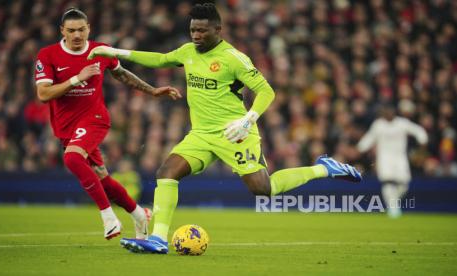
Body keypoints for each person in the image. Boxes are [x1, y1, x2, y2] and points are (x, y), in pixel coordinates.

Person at [89, 3, 361, 253]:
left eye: (202, 30)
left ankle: (324, 168)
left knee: (262, 190)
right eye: (193, 29)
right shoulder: (187, 52)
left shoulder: (233, 58)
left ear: (218, 30)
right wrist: (115, 52)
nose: (196, 35)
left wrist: (248, 119)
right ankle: (159, 239)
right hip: (201, 134)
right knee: (167, 173)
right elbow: (159, 59)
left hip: (236, 132)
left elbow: (266, 91)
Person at [34, 8, 181, 240]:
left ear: (88, 28)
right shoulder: (48, 55)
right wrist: (77, 78)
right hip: (66, 125)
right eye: (71, 30)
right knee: (103, 178)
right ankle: (139, 214)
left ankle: (108, 217)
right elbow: (43, 94)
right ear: (62, 30)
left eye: (81, 29)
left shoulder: (100, 51)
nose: (77, 35)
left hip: (95, 118)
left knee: (72, 158)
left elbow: (121, 74)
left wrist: (152, 90)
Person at [357, 104, 428, 218]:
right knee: (388, 182)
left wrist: (423, 140)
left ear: (394, 112)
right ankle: (393, 209)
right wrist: (360, 148)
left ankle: (392, 205)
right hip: (384, 158)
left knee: (404, 184)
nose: (388, 114)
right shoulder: (378, 125)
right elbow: (369, 138)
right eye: (386, 112)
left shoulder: (402, 123)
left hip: (400, 158)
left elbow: (418, 130)